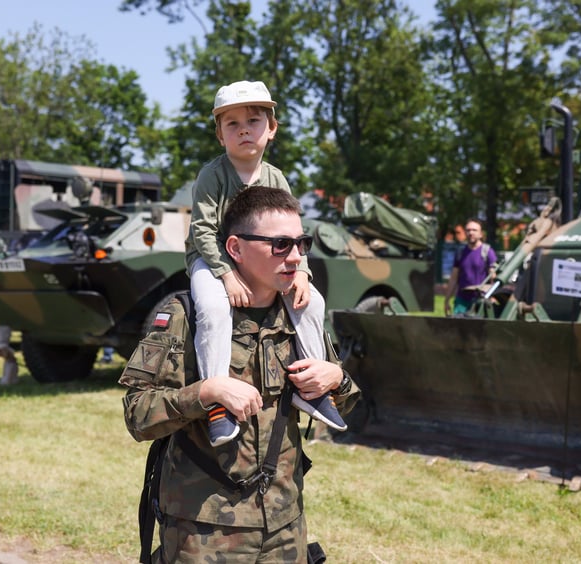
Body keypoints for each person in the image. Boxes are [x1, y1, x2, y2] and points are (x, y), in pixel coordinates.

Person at [120, 186, 360, 562]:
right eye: (280, 244)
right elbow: (138, 415)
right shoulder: (190, 317)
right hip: (204, 531)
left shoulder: (298, 316)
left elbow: (344, 404)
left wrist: (336, 379)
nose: (296, 257)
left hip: (285, 525)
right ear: (235, 249)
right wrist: (205, 393)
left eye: (301, 243)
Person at [186, 79, 346, 446]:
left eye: (254, 120)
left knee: (312, 301)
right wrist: (225, 274)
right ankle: (218, 402)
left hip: (265, 260)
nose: (244, 129)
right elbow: (201, 230)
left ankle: (313, 387)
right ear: (220, 136)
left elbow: (291, 231)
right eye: (232, 123)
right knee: (212, 306)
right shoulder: (213, 175)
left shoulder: (276, 178)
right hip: (211, 258)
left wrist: (302, 272)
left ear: (271, 129)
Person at [444, 218, 498, 316]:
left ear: (481, 234)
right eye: (468, 230)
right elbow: (453, 278)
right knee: (458, 329)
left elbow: (493, 277)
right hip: (461, 301)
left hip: (480, 301)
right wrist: (447, 300)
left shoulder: (488, 252)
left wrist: (493, 297)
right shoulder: (460, 253)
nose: (471, 233)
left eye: (474, 230)